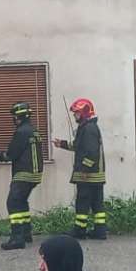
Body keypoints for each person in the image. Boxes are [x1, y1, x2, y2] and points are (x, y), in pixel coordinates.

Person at [0, 101, 44, 251]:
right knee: (21, 202)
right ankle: (26, 233)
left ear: (19, 117)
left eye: (14, 117)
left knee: (13, 203)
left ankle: (17, 238)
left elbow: (11, 154)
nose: (13, 120)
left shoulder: (22, 132)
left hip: (24, 173)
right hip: (34, 174)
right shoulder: (33, 130)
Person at [53, 99, 106, 240]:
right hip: (96, 176)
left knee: (82, 203)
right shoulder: (89, 127)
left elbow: (91, 152)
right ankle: (100, 231)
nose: (75, 115)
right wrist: (62, 144)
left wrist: (84, 170)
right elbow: (78, 146)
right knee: (97, 204)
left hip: (88, 176)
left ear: (85, 112)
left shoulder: (88, 129)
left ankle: (80, 230)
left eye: (77, 113)